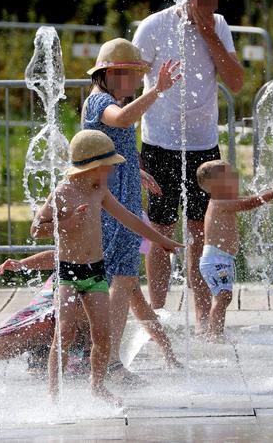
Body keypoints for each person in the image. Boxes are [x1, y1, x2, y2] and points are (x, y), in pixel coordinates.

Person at [31, 129, 182, 405]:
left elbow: (130, 219)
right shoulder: (62, 193)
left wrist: (162, 241)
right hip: (69, 274)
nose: (111, 173)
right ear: (93, 167)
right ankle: (53, 394)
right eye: (108, 167)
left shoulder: (99, 191)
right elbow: (36, 229)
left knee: (103, 335)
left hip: (95, 273)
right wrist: (68, 224)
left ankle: (97, 385)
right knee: (65, 331)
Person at [133, 0, 245, 332]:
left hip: (202, 144)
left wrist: (208, 34)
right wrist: (126, 143)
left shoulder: (219, 25)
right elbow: (131, 81)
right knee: (161, 230)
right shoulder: (154, 26)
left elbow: (237, 82)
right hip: (159, 140)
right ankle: (159, 313)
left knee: (200, 232)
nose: (210, 4)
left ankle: (201, 316)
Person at [82, 37, 183, 385]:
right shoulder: (100, 102)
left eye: (140, 75)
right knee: (123, 280)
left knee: (129, 286)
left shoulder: (111, 101)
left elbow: (110, 147)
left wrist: (135, 172)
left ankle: (168, 354)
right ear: (111, 73)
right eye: (133, 75)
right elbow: (122, 121)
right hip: (111, 208)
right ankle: (109, 363)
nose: (139, 81)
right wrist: (157, 91)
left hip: (123, 200)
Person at [196, 160, 273, 339]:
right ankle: (214, 334)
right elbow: (248, 204)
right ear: (215, 185)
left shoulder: (223, 200)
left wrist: (270, 192)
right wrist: (271, 194)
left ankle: (215, 331)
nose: (235, 177)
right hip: (216, 260)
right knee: (223, 296)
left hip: (221, 259)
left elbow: (248, 200)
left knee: (223, 297)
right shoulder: (219, 201)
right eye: (229, 175)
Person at [0, 251, 91, 376]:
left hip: (94, 290)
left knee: (79, 305)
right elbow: (61, 253)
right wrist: (22, 264)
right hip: (60, 285)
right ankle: (42, 348)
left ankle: (90, 352)